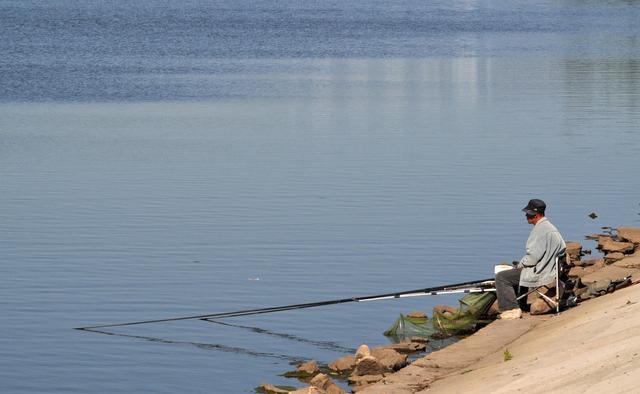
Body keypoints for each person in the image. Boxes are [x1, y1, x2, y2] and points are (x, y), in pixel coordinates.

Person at [495, 199, 566, 319]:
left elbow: (532, 259)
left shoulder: (541, 231)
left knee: (502, 277)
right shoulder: (550, 227)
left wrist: (519, 265)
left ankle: (511, 309)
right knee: (517, 273)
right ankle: (521, 305)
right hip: (551, 269)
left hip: (542, 271)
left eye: (528, 214)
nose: (526, 216)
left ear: (536, 215)